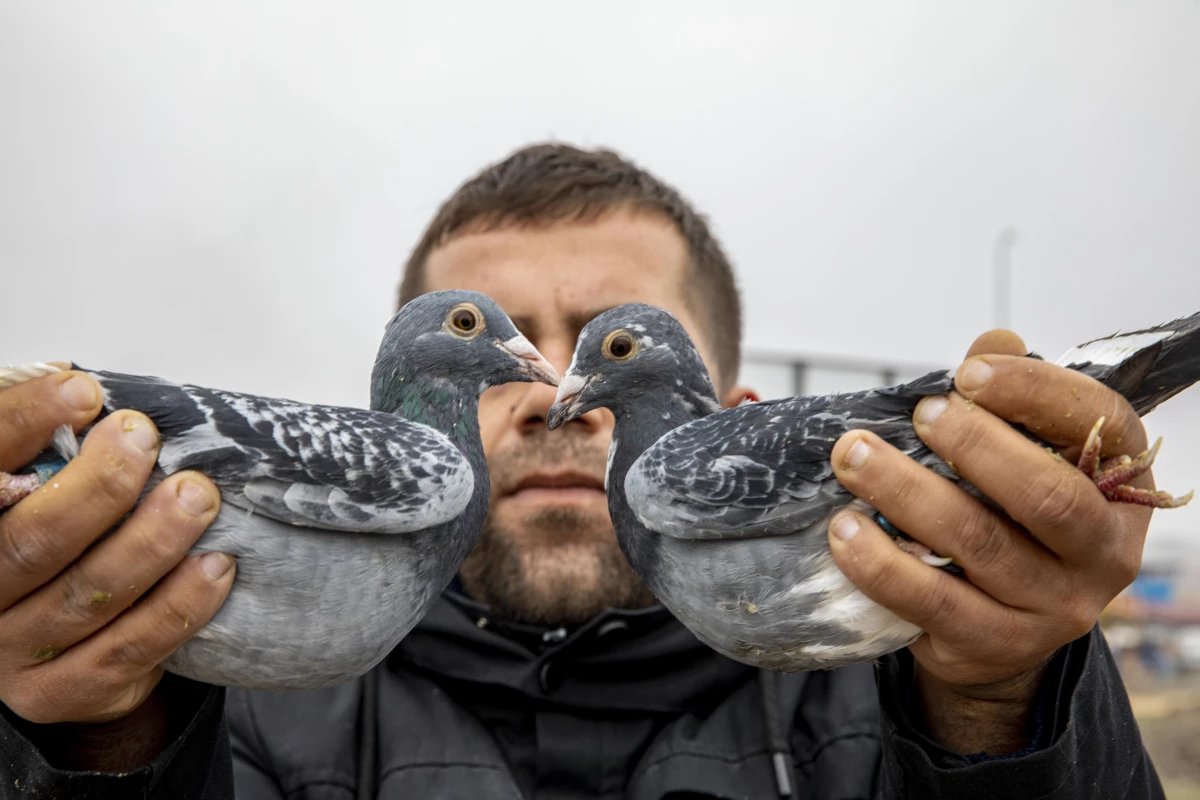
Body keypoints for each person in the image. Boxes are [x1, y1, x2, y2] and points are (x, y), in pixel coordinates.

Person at [0, 143, 1164, 799]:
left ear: (735, 418)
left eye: (602, 342)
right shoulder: (250, 697)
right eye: (510, 342)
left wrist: (1004, 697)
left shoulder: (882, 669)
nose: (554, 401)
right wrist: (95, 736)